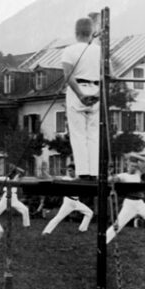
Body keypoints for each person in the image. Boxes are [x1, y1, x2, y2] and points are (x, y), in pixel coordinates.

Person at [61, 17, 101, 180]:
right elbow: (108, 74)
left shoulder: (69, 50)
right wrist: (98, 94)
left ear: (76, 32)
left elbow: (68, 76)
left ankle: (83, 172)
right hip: (96, 88)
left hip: (78, 90)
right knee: (93, 133)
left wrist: (80, 94)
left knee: (78, 134)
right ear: (92, 32)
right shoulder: (99, 50)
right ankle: (94, 172)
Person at [105, 153, 145, 245]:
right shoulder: (123, 175)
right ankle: (104, 241)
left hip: (140, 203)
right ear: (127, 165)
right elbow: (110, 179)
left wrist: (134, 155)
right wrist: (110, 176)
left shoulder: (138, 173)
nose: (133, 168)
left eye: (135, 166)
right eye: (132, 166)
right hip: (129, 203)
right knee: (118, 225)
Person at [41, 163, 93, 235]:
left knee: (89, 213)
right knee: (58, 217)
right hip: (68, 202)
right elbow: (53, 178)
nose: (69, 172)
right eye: (69, 171)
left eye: (71, 171)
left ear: (75, 171)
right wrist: (45, 172)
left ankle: (82, 229)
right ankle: (46, 232)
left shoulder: (79, 178)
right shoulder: (66, 178)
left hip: (77, 202)